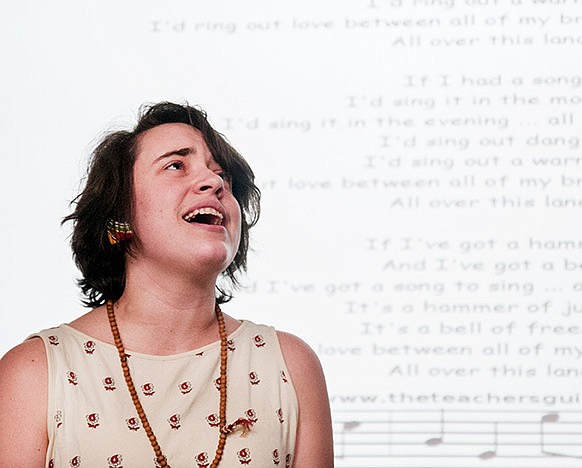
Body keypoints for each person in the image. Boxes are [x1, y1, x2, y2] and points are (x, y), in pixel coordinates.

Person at [0, 102, 334, 467]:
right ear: (119, 218)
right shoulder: (34, 373)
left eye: (222, 175)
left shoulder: (290, 365)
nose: (215, 183)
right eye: (176, 165)